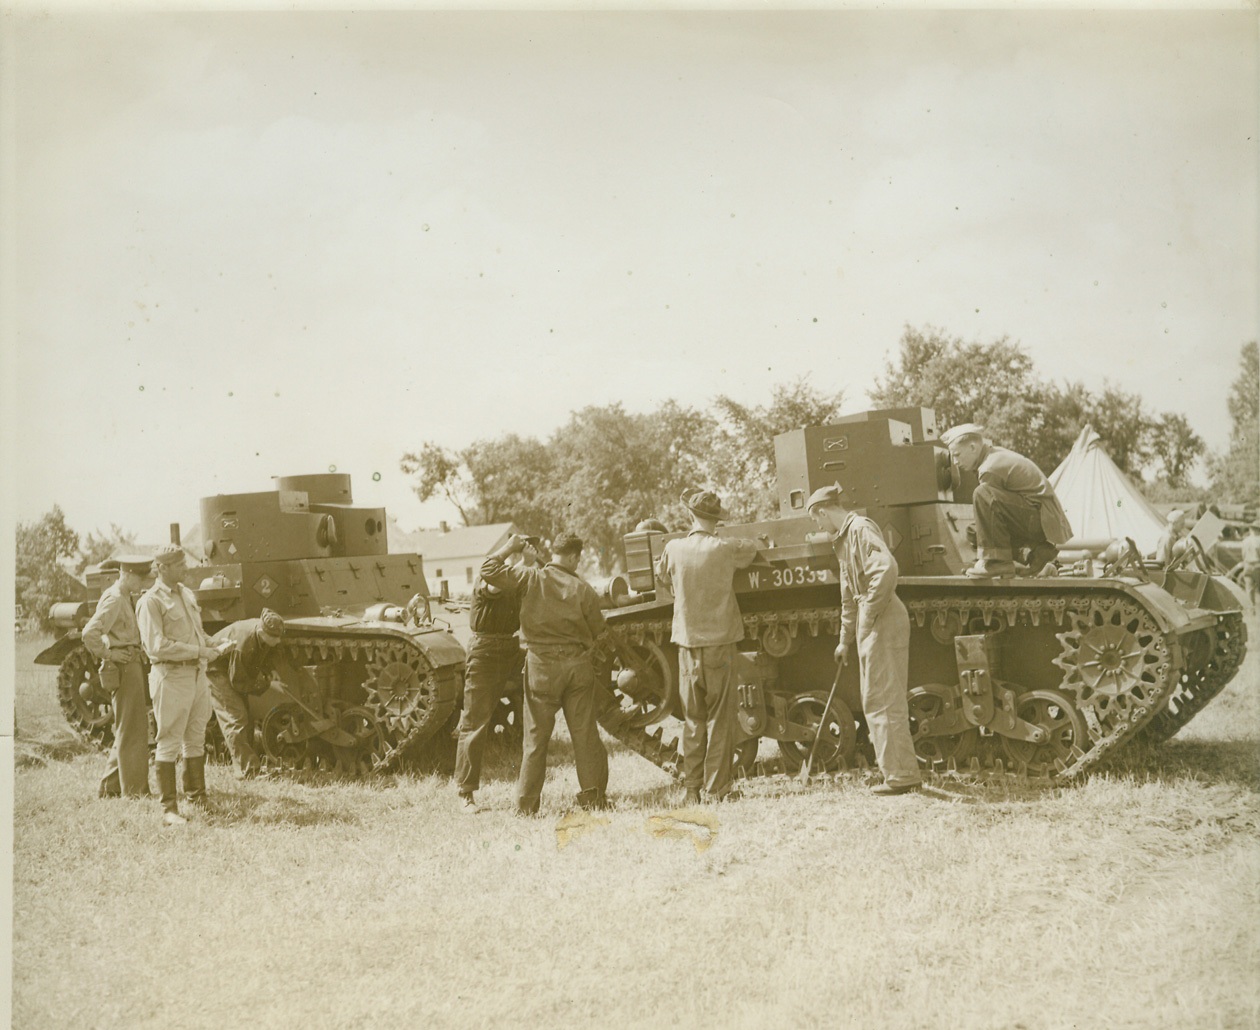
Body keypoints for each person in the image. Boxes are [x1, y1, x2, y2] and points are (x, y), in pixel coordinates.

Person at [481, 531, 610, 816]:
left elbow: (488, 570)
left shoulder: (530, 577)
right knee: (585, 737)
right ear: (575, 557)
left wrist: (510, 547)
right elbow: (598, 630)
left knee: (535, 740)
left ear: (554, 552)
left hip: (541, 667)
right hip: (577, 667)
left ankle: (526, 807)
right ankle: (594, 800)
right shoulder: (583, 589)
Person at [807, 483, 921, 796]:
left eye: (816, 519)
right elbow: (848, 596)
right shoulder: (842, 538)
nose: (816, 526)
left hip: (881, 615)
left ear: (824, 511)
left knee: (884, 698)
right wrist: (845, 640)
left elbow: (885, 569)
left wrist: (868, 615)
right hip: (873, 615)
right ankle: (896, 771)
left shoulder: (859, 528)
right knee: (875, 699)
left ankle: (902, 776)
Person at [655, 490, 759, 804]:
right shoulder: (724, 548)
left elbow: (662, 576)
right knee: (720, 718)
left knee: (693, 720)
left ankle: (691, 791)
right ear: (716, 519)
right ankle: (718, 788)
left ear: (691, 515)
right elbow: (751, 549)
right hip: (719, 645)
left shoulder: (673, 548)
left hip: (687, 645)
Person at [136, 544, 226, 826]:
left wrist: (213, 644)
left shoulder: (185, 594)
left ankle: (197, 796)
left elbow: (196, 633)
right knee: (169, 741)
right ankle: (169, 810)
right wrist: (200, 652)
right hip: (171, 677)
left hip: (196, 675)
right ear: (162, 568)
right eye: (180, 565)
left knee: (195, 736)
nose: (186, 569)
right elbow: (157, 646)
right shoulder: (151, 602)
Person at [453, 546, 535, 810]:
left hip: (510, 649)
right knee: (475, 722)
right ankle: (465, 793)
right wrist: (521, 559)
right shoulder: (488, 581)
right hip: (485, 651)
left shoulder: (511, 579)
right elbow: (496, 581)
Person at [940, 423, 1073, 579]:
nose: (955, 462)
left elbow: (991, 505)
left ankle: (997, 564)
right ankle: (1034, 554)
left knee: (982, 493)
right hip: (1041, 518)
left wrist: (985, 560)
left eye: (957, 455)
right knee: (974, 531)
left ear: (972, 448)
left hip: (1041, 519)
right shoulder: (992, 455)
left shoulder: (989, 468)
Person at [81, 555, 155, 799]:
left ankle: (110, 786)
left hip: (131, 664)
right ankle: (134, 792)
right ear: (128, 574)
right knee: (132, 729)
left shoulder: (125, 596)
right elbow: (90, 633)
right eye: (140, 578)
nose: (143, 583)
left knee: (129, 726)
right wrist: (109, 653)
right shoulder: (114, 599)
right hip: (123, 668)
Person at [206, 609, 286, 778]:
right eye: (275, 637)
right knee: (236, 717)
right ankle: (247, 770)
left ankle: (249, 765)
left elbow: (268, 651)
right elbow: (238, 682)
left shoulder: (262, 632)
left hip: (230, 669)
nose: (278, 641)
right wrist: (268, 684)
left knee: (246, 717)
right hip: (216, 670)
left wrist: (270, 670)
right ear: (262, 632)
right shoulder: (244, 644)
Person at [1242, 523, 1260, 610]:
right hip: (1257, 565)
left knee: (1249, 589)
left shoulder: (1245, 541)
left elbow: (1243, 555)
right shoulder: (1259, 540)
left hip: (1247, 566)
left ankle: (1251, 608)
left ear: (1251, 529)